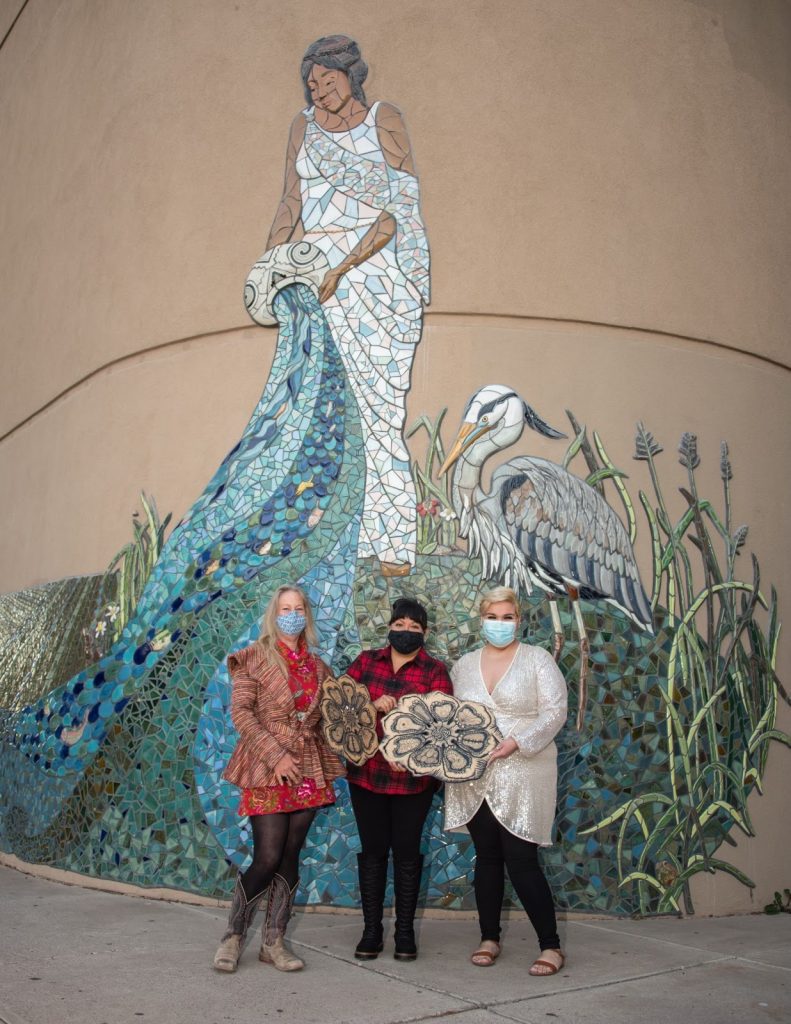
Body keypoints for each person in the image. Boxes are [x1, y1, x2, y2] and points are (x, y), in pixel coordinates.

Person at [266, 34, 430, 577]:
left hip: (376, 280)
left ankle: (394, 543)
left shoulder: (384, 119)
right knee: (336, 418)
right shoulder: (303, 127)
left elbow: (397, 213)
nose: (318, 92)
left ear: (351, 74)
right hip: (319, 283)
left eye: (327, 80)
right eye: (310, 84)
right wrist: (271, 266)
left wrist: (342, 268)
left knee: (381, 413)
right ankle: (349, 540)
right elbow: (291, 199)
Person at [212, 585, 344, 973]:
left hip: (309, 768)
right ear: (274, 614)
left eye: (298, 608)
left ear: (307, 614)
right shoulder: (252, 657)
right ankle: (233, 936)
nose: (292, 614)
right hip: (267, 767)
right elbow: (242, 715)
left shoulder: (320, 668)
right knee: (267, 856)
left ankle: (274, 941)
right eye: (285, 608)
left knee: (290, 856)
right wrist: (276, 755)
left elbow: (333, 717)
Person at [444, 587, 568, 975]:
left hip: (524, 770)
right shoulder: (463, 665)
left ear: (520, 619)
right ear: (481, 620)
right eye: (493, 617)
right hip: (475, 774)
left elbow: (555, 711)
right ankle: (489, 937)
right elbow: (449, 716)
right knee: (487, 857)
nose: (500, 624)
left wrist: (517, 742)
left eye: (508, 617)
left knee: (521, 858)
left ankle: (550, 945)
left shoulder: (538, 659)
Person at [345, 597, 452, 961]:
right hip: (366, 776)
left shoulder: (435, 671)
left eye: (415, 627)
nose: (406, 631)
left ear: (426, 632)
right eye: (400, 624)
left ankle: (405, 932)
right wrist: (369, 705)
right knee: (372, 853)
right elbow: (338, 707)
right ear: (389, 626)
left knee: (407, 854)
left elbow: (442, 727)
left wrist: (410, 756)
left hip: (413, 784)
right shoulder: (364, 662)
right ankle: (371, 931)